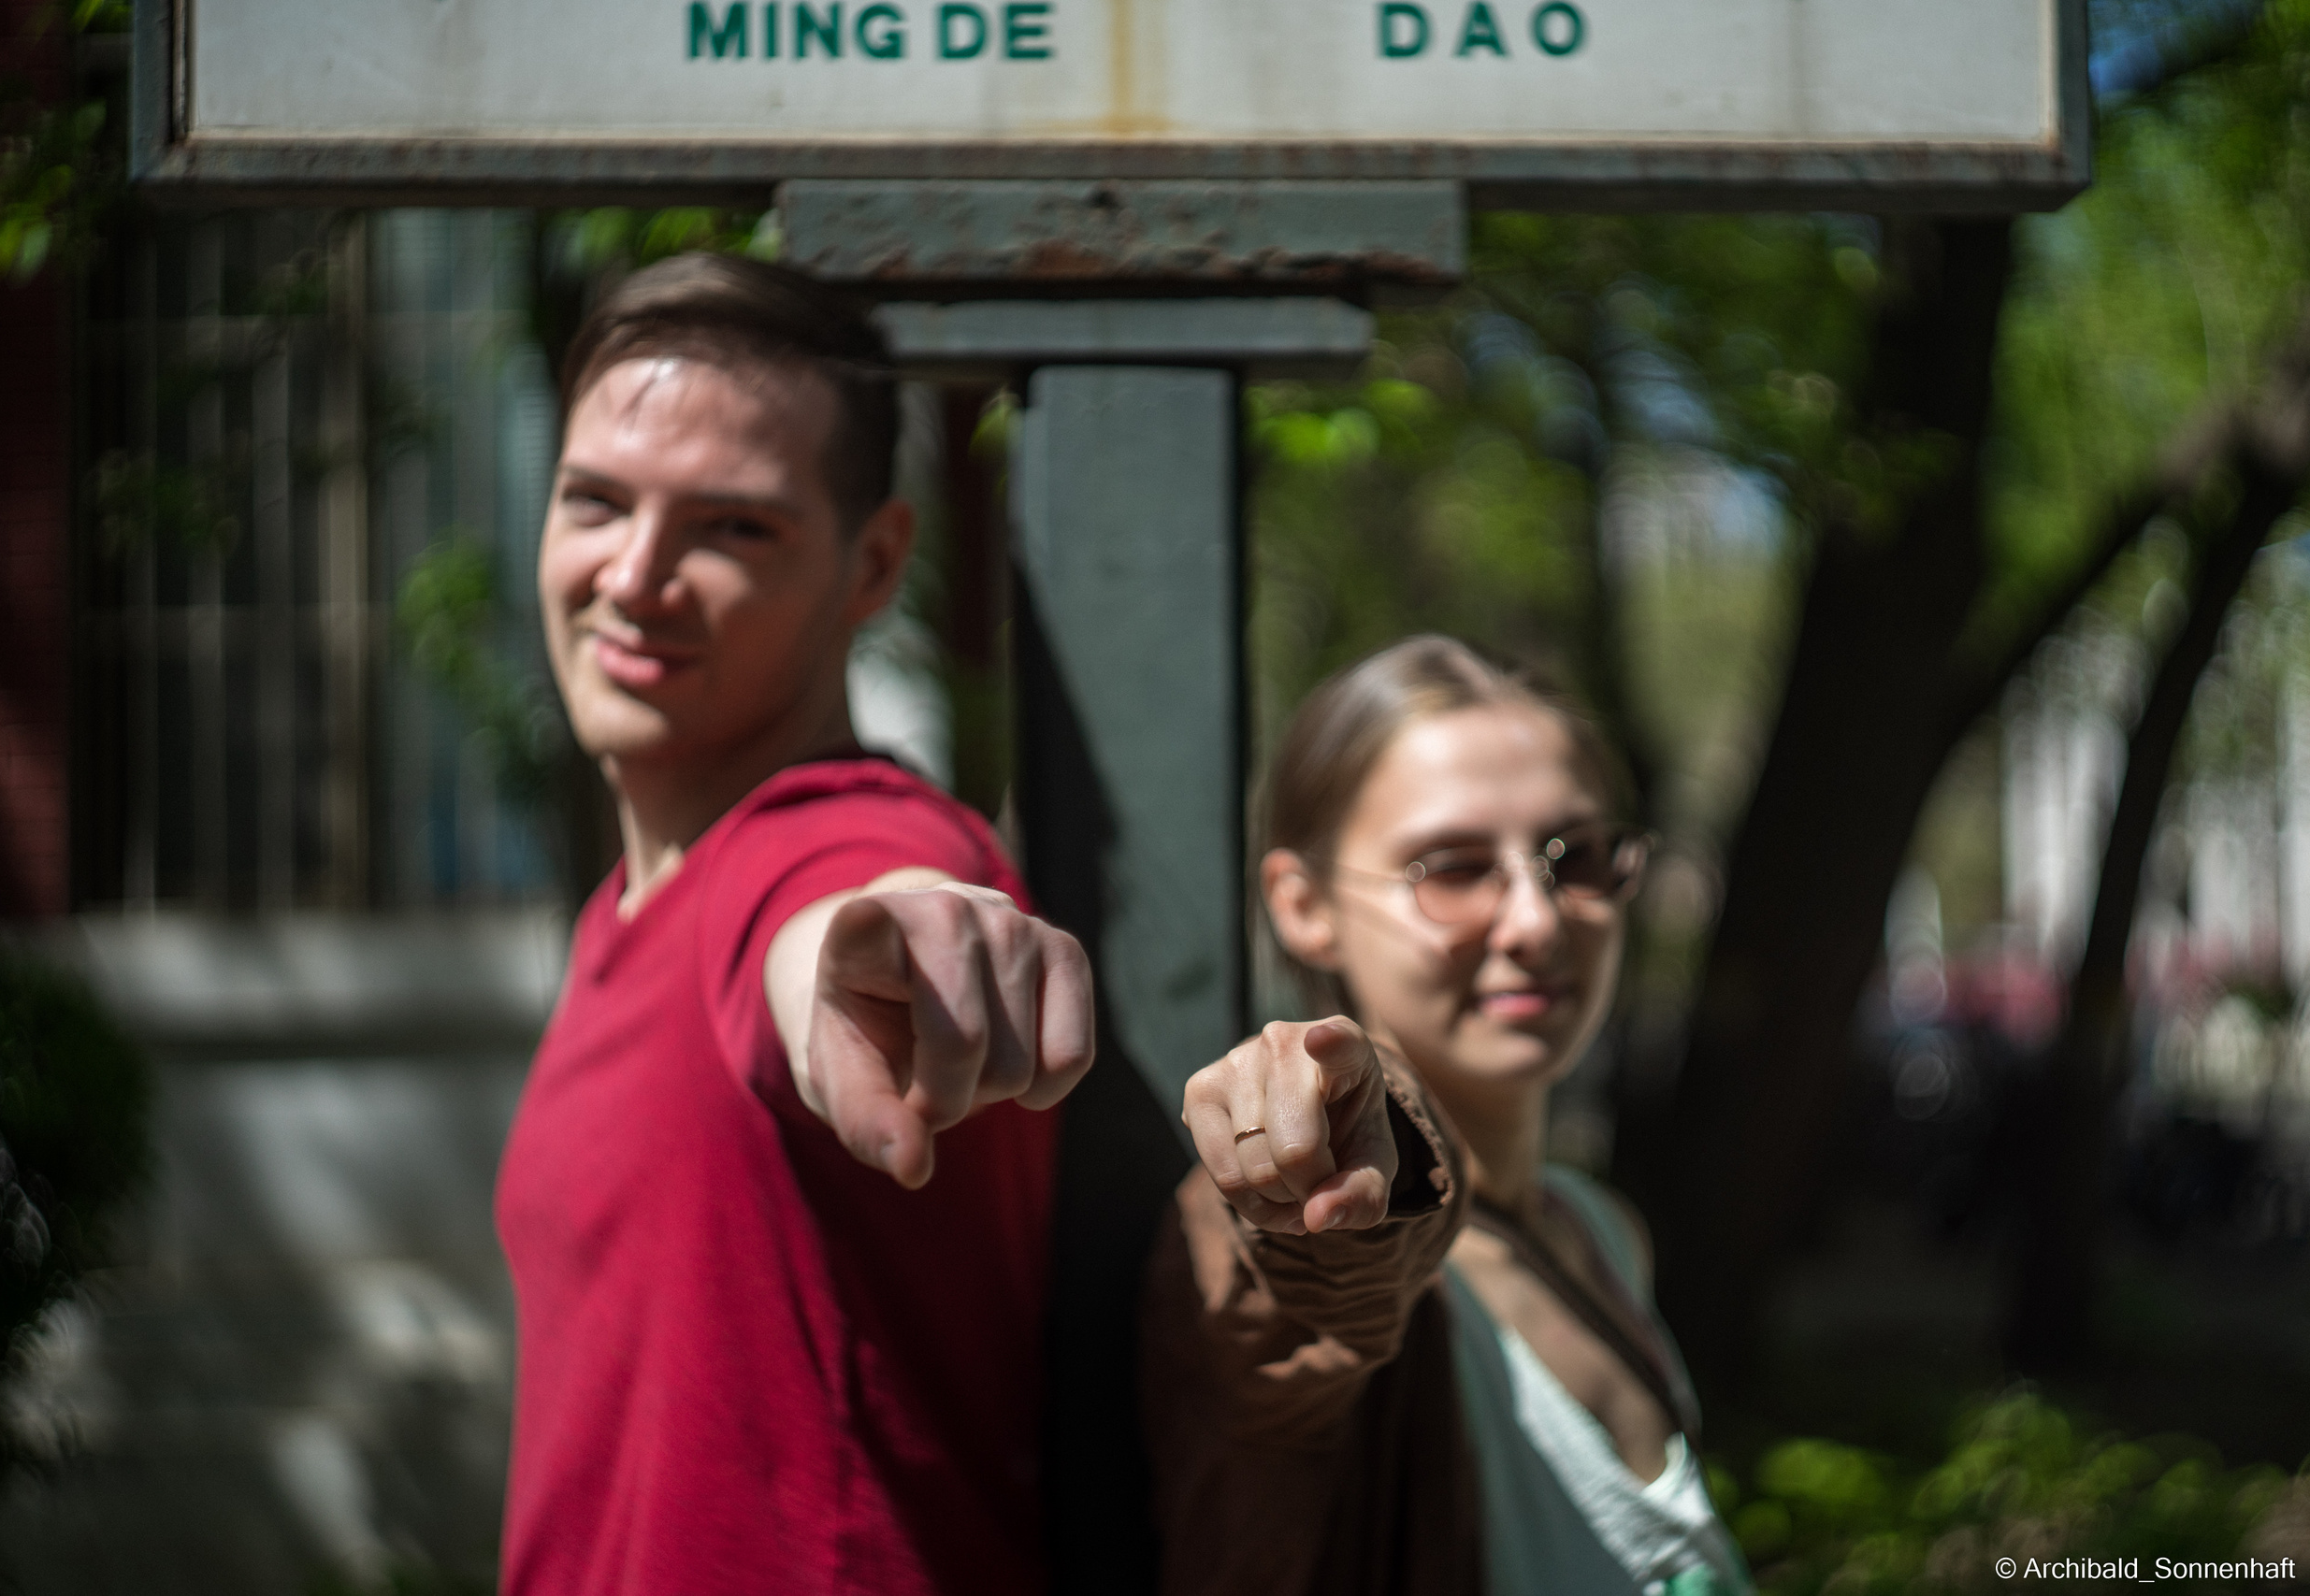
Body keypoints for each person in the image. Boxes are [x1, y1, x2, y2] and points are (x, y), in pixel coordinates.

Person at [493, 253, 1093, 1596]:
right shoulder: (627, 904)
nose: (634, 576)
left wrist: (880, 947)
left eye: (731, 527)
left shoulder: (839, 841)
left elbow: (835, 924)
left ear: (872, 560)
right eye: (595, 502)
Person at [1142, 636, 1747, 1596]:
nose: (1537, 922)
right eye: (1452, 867)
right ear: (1304, 905)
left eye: (1575, 856)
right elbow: (1313, 1270)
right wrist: (1334, 1117)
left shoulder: (1594, 1229)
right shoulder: (1335, 1233)